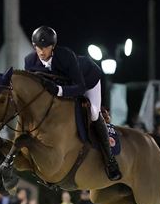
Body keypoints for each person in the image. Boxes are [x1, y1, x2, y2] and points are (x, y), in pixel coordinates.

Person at [25, 25, 121, 181]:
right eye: (38, 47)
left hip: (87, 81)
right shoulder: (29, 61)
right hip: (64, 86)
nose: (42, 52)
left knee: (94, 113)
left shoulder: (66, 56)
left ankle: (110, 160)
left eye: (46, 47)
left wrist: (58, 90)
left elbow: (80, 87)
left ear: (53, 46)